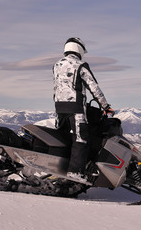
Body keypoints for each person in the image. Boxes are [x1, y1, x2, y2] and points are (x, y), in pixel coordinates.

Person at [52, 37, 114, 181]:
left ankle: (58, 168)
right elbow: (94, 87)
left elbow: (57, 88)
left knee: (63, 138)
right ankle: (75, 172)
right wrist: (105, 106)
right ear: (79, 49)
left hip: (59, 108)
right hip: (76, 109)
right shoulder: (81, 65)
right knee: (81, 139)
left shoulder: (56, 65)